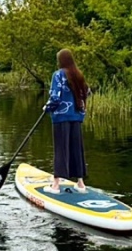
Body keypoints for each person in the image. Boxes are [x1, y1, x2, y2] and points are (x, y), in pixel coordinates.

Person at [42, 49, 90, 194]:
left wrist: (47, 107)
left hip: (61, 118)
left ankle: (55, 186)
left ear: (61, 61)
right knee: (76, 149)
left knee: (61, 149)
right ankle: (81, 184)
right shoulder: (78, 74)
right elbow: (87, 92)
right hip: (76, 117)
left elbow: (55, 98)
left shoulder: (58, 75)